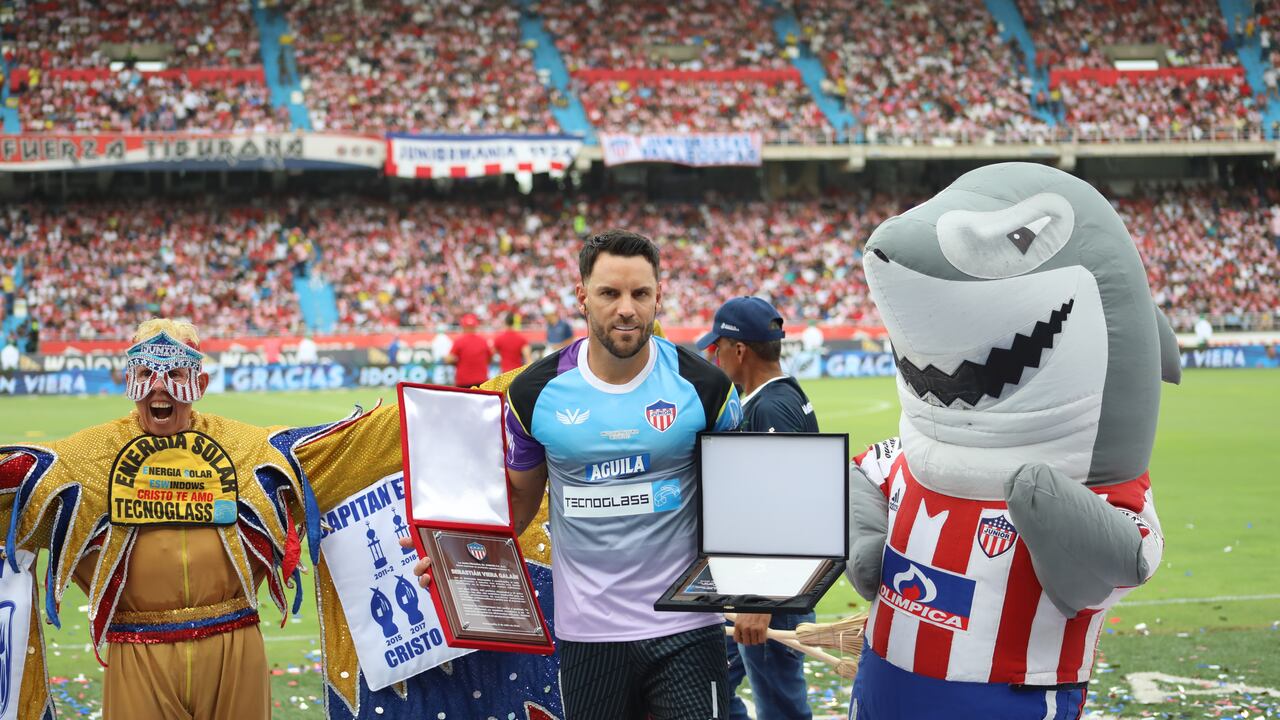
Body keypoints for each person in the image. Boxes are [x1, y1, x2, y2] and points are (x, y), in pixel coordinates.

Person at [414, 230, 742, 719]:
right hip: (589, 633)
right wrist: (452, 555)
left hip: (686, 627)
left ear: (659, 295)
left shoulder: (707, 387)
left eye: (640, 294)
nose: (627, 309)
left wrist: (759, 586)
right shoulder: (533, 394)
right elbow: (519, 503)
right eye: (610, 293)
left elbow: (737, 496)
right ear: (582, 295)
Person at [0, 318, 312, 719]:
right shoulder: (92, 453)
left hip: (235, 644)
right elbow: (25, 482)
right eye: (146, 373)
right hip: (138, 650)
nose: (159, 386)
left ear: (199, 383)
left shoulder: (244, 446)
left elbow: (326, 459)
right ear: (130, 380)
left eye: (175, 373)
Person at [696, 296, 819, 720]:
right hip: (762, 580)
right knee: (708, 682)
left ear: (740, 350)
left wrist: (761, 599)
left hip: (770, 586)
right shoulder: (780, 398)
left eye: (718, 347)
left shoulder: (771, 406)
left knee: (780, 703)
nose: (714, 356)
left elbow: (781, 503)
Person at [447, 312, 492, 387]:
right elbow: (490, 358)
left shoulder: (459, 341)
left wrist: (456, 362)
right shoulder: (483, 341)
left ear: (463, 326)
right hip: (481, 381)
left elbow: (449, 359)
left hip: (463, 381)